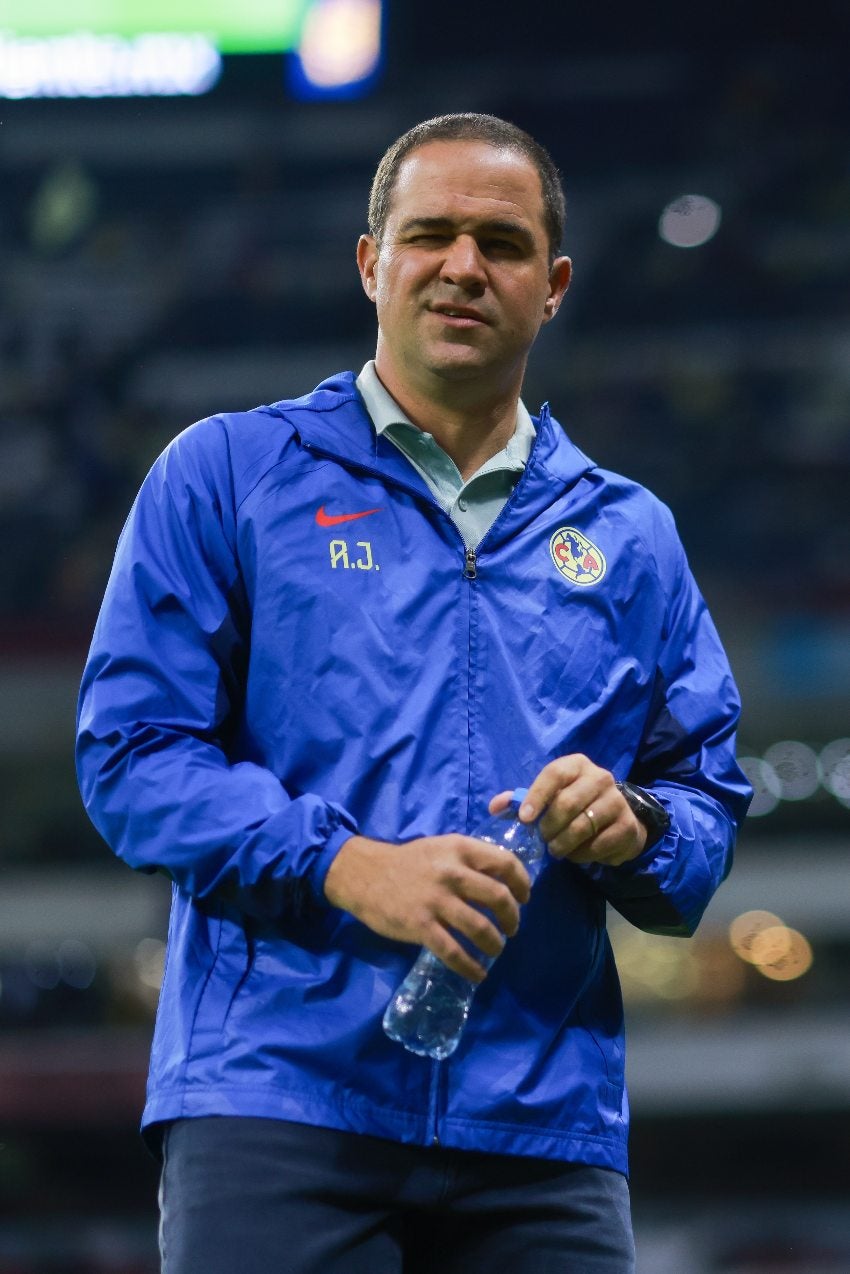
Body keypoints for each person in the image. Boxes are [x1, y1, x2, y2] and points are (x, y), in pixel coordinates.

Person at [76, 113, 751, 1273]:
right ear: (369, 262)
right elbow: (132, 758)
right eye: (429, 233)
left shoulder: (630, 534)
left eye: (501, 241)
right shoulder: (230, 474)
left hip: (541, 1126)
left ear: (554, 285)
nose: (462, 266)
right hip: (277, 1103)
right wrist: (348, 865)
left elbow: (704, 810)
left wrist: (632, 826)